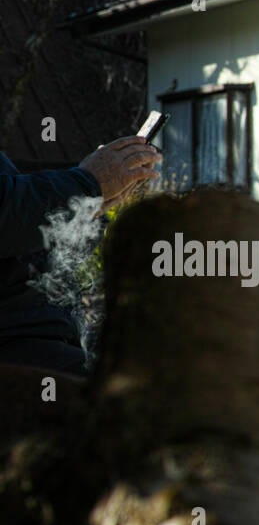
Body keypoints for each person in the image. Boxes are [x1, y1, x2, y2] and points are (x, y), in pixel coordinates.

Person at [1, 136, 161, 373]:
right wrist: (87, 184)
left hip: (44, 337)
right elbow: (9, 215)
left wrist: (92, 208)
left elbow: (30, 240)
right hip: (21, 344)